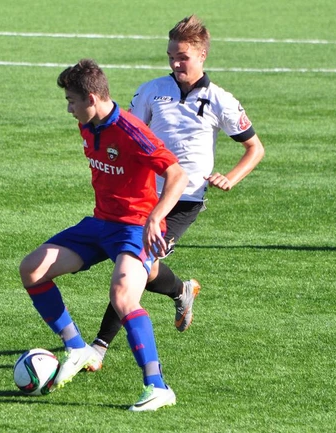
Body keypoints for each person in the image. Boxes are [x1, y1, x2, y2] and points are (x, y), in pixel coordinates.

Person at [89, 15, 265, 369]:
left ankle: (99, 347)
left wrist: (231, 178)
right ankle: (181, 290)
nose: (175, 64)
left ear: (202, 55)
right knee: (143, 266)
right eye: (171, 56)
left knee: (135, 265)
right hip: (144, 196)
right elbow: (127, 133)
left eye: (182, 57)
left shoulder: (220, 100)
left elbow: (255, 148)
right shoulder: (151, 91)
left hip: (184, 201)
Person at [18, 59, 188, 412]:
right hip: (100, 223)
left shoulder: (132, 131)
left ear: (92, 99)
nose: (69, 109)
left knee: (123, 295)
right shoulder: (88, 124)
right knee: (32, 269)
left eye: (71, 101)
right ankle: (77, 348)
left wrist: (156, 217)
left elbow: (177, 175)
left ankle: (158, 387)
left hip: (135, 226)